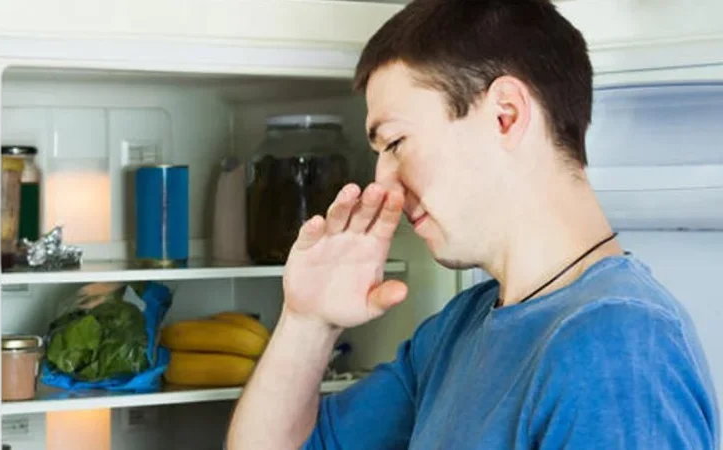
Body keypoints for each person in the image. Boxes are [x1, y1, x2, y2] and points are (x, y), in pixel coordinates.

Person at [226, 0, 720, 448]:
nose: (386, 185)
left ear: (505, 115)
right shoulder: (459, 330)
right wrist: (308, 322)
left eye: (395, 142)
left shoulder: (618, 347)